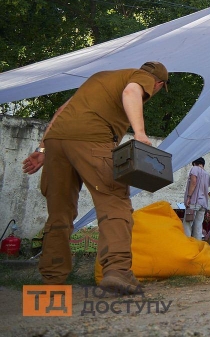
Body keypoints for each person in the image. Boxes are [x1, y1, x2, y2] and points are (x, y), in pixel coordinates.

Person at [21, 61, 169, 294]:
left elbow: (61, 111)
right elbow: (131, 92)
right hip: (93, 140)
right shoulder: (141, 79)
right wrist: (140, 134)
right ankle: (117, 271)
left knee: (60, 212)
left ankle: (52, 278)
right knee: (114, 202)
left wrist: (42, 150)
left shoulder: (100, 77)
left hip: (56, 143)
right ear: (158, 84)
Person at [183, 157, 210, 240]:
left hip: (194, 202)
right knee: (198, 227)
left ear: (195, 163)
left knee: (187, 225)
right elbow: (207, 186)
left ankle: (186, 246)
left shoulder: (195, 169)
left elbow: (193, 182)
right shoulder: (207, 174)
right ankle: (197, 247)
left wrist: (188, 197)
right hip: (203, 204)